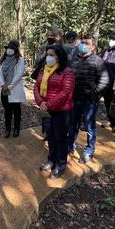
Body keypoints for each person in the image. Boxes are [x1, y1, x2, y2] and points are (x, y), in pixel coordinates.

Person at [34, 45, 75, 179]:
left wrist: (49, 104)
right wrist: (40, 102)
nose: (48, 57)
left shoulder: (67, 72)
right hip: (46, 110)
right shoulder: (43, 70)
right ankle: (51, 160)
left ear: (59, 56)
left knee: (60, 139)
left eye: (51, 55)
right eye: (47, 54)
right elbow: (36, 86)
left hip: (61, 111)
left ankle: (60, 165)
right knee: (51, 137)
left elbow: (66, 92)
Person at [68, 36, 109, 163]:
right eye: (82, 42)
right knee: (73, 124)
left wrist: (95, 94)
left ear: (93, 47)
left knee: (89, 126)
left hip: (89, 101)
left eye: (86, 43)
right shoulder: (74, 60)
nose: (83, 45)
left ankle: (89, 151)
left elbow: (104, 81)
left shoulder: (98, 61)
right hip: (74, 98)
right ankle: (70, 146)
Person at [0, 40, 27, 138]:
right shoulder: (2, 60)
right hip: (4, 88)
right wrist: (2, 84)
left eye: (12, 48)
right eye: (9, 48)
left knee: (16, 110)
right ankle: (7, 129)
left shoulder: (20, 60)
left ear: (16, 50)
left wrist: (9, 86)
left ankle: (16, 129)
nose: (10, 50)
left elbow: (19, 75)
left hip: (13, 89)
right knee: (7, 110)